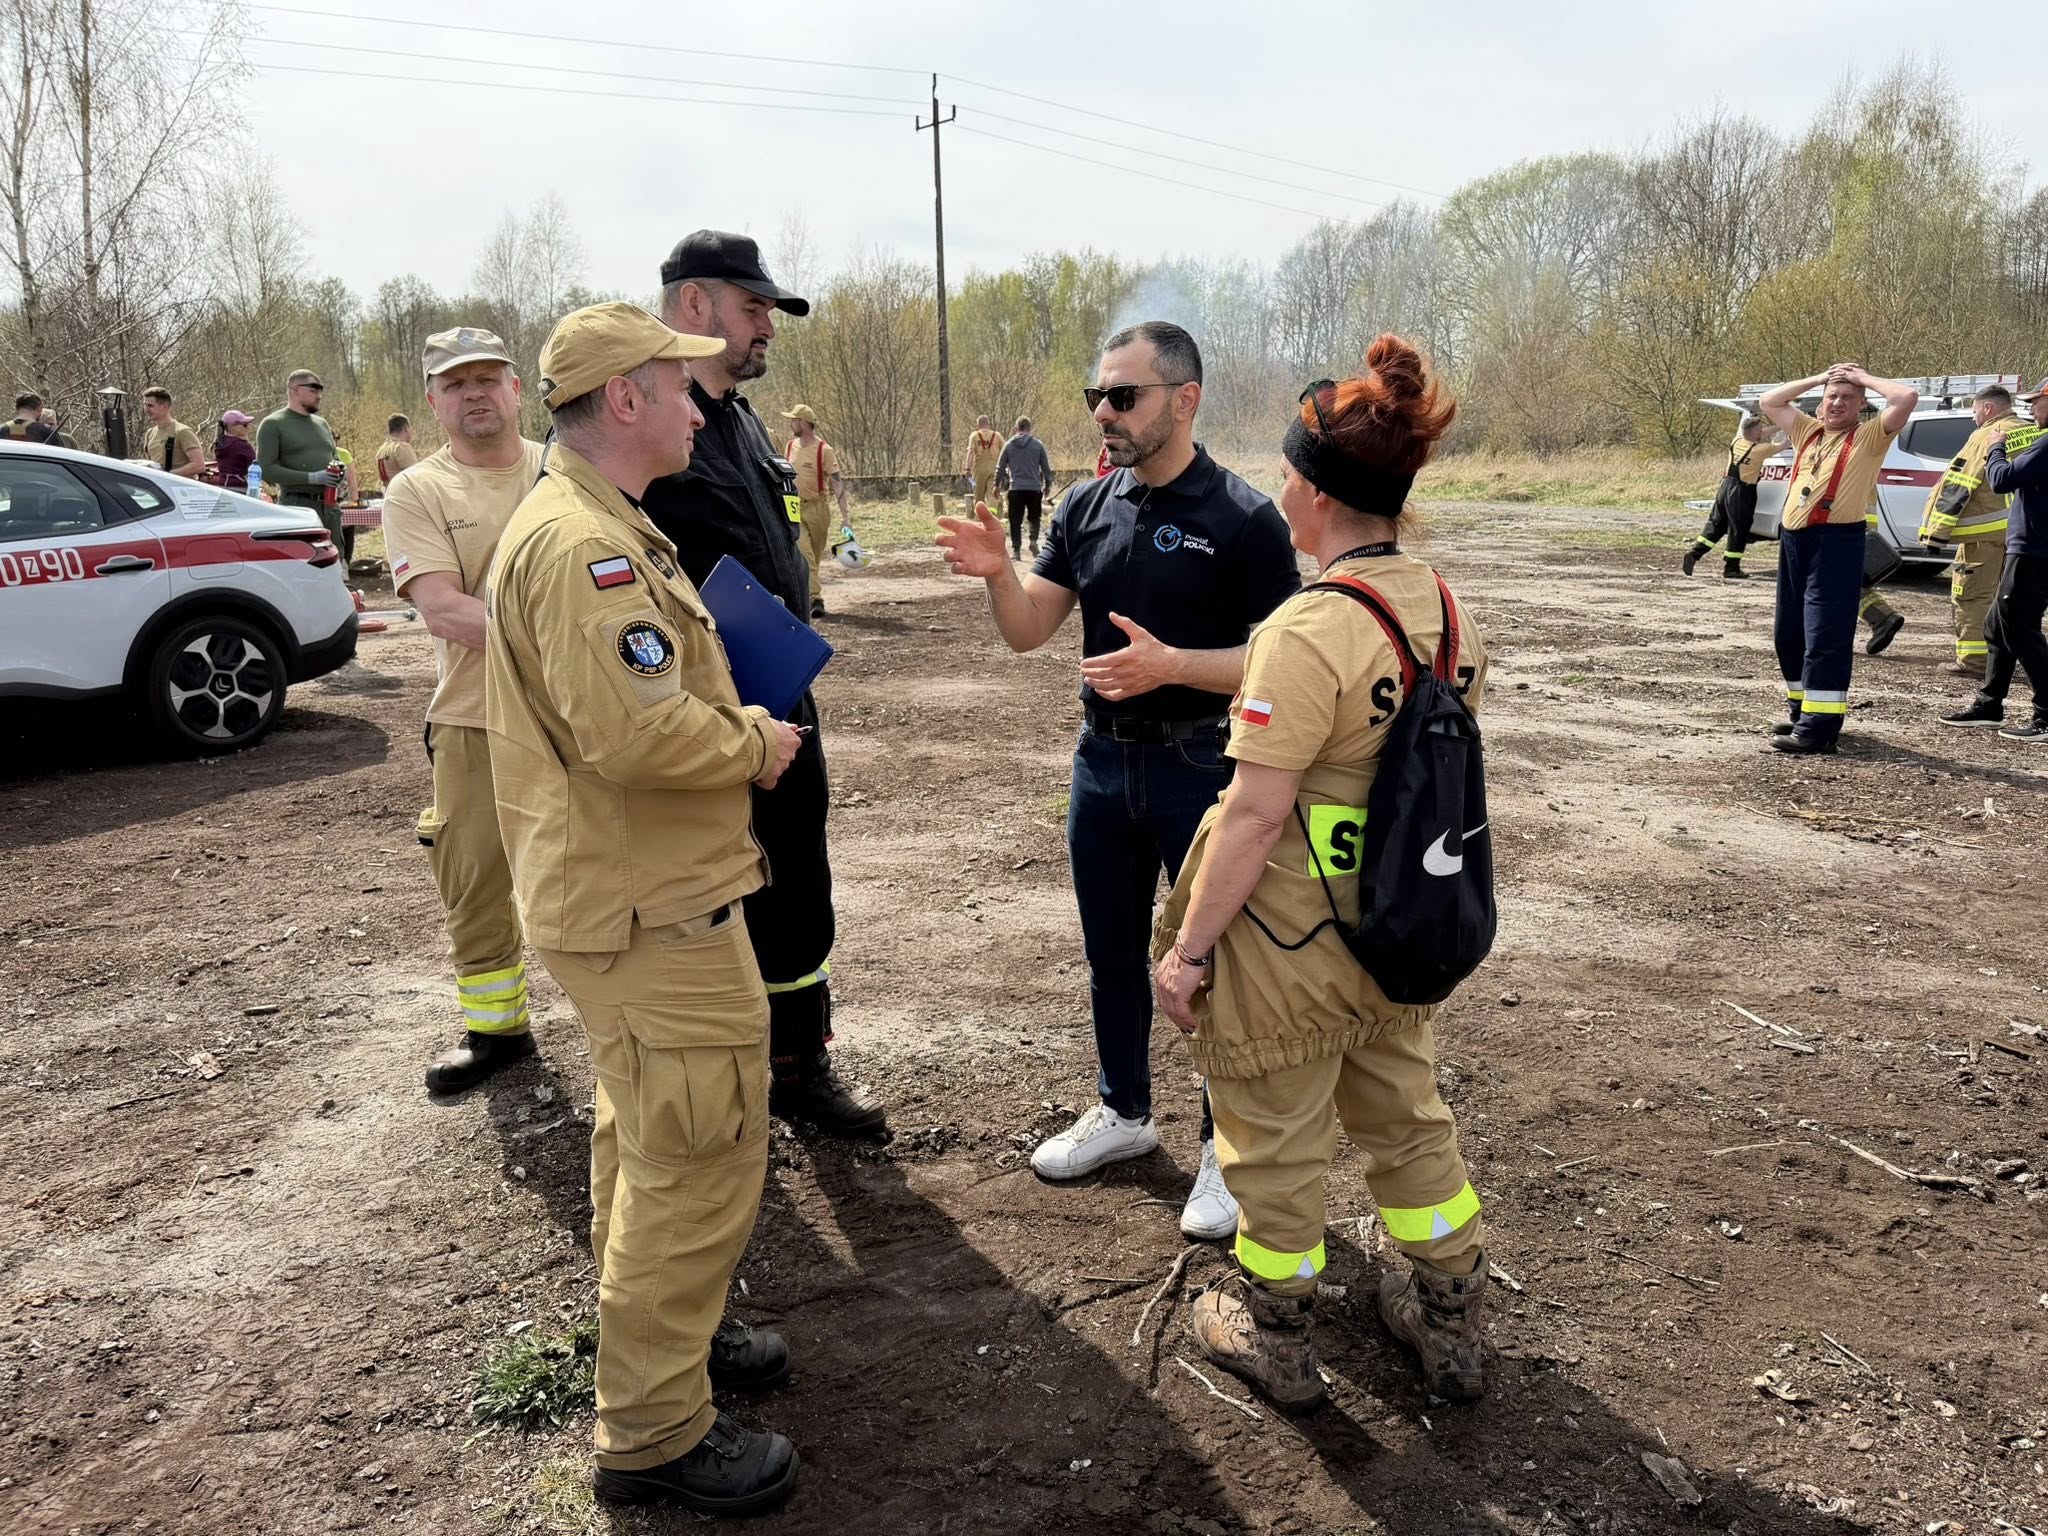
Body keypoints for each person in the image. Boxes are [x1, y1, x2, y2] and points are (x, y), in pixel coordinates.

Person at [484, 302, 804, 1515]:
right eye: (676, 389)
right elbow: (637, 735)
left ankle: (676, 1335)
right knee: (695, 1154)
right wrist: (755, 742)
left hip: (632, 897)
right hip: (647, 909)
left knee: (649, 1135)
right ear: (623, 398)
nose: (696, 410)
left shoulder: (601, 522)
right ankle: (656, 1429)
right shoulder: (584, 547)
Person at [1151, 336, 1490, 1414]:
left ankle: (1280, 1334)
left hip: (1287, 944)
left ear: (1318, 492)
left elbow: (1254, 817)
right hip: (1398, 928)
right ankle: (1449, 1318)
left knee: (1272, 1142)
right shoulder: (1442, 608)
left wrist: (1188, 952)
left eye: (1288, 475)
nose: (1280, 491)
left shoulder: (1306, 631)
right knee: (1406, 1119)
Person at [936, 320, 1300, 1241]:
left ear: (1185, 399)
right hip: (1100, 764)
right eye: (1097, 395)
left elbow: (1283, 660)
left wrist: (1174, 666)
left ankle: (1226, 1148)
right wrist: (998, 574)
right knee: (1111, 953)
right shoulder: (1085, 508)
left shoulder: (1246, 518)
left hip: (1201, 765)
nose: (1104, 411)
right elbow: (1029, 630)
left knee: (1216, 962)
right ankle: (1125, 1112)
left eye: (1123, 396)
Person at [646, 228, 886, 1138]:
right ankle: (722, 1080)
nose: (768, 328)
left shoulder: (744, 421)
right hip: (698, 710)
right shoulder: (645, 419)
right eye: (753, 308)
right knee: (711, 889)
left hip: (781, 693)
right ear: (694, 303)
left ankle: (800, 1065)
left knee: (797, 873)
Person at [383, 328, 547, 1095]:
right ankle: (496, 1031)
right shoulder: (418, 490)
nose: (474, 393)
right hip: (476, 715)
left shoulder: (564, 468)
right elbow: (445, 610)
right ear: (433, 401)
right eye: (455, 384)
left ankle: (627, 1020)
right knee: (475, 875)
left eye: (487, 378)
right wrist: (564, 648)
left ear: (516, 388)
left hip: (586, 714)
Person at [1756, 365, 1918, 755]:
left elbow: (1905, 397)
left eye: (1847, 398)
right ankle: (1802, 712)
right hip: (1795, 541)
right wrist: (1820, 379)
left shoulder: (1869, 435)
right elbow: (1769, 401)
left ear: (1861, 404)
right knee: (1789, 632)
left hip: (1835, 542)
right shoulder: (1807, 429)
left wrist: (1861, 378)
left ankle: (1820, 729)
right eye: (1832, 396)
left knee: (1824, 634)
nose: (1837, 403)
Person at [1941, 380, 2048, 741]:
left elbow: (2001, 480)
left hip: (2034, 550)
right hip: (2028, 547)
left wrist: (1996, 447)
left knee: (2018, 627)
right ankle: (1989, 705)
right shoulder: (2039, 439)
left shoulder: (2045, 443)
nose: (2031, 409)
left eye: (2036, 402)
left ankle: (2045, 714)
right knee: (1997, 625)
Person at [1920, 384, 2022, 677]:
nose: (1973, 417)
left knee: (1973, 595)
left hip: (1985, 535)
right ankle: (2010, 658)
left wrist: (1935, 533)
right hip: (2023, 534)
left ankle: (1974, 662)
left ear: (1988, 408)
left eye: (1974, 411)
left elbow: (1959, 484)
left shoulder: (1984, 437)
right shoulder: (2034, 431)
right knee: (2012, 599)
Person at [257, 369, 344, 547]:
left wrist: (340, 472)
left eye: (320, 391)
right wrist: (312, 478)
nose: (319, 396)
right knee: (304, 557)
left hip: (329, 505)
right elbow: (265, 469)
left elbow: (334, 457)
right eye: (313, 390)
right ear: (295, 390)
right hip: (297, 505)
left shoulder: (322, 424)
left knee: (336, 557)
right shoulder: (273, 424)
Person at [1682, 414, 1775, 579]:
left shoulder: (1737, 441)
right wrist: (1791, 426)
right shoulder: (1760, 450)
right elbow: (1785, 444)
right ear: (1756, 433)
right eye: (1760, 430)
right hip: (1742, 492)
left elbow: (1759, 432)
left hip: (1725, 487)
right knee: (1739, 529)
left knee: (1716, 523)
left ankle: (1694, 554)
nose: (1763, 432)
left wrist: (1779, 426)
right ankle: (1731, 568)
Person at [781, 403, 848, 618]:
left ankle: (810, 592)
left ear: (803, 422)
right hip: (794, 507)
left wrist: (846, 517)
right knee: (805, 554)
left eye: (793, 420)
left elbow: (837, 483)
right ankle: (815, 599)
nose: (791, 424)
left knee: (814, 558)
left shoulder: (824, 450)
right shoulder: (790, 446)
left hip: (818, 508)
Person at [995, 415, 1053, 559]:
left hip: (1016, 488)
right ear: (1029, 428)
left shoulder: (1009, 445)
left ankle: (1016, 551)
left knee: (1015, 520)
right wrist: (1047, 484)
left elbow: (1000, 467)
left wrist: (996, 485)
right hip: (1034, 489)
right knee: (1034, 517)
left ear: (1016, 428)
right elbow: (1046, 468)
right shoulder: (1038, 445)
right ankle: (1033, 540)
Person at [140, 387, 204, 478]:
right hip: (158, 485)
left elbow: (199, 465)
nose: (146, 409)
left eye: (150, 406)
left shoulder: (182, 432)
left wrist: (169, 475)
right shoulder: (150, 433)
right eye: (145, 405)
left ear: (164, 407)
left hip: (179, 485)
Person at [214, 411, 257, 493]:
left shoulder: (220, 443)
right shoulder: (241, 446)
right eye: (245, 425)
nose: (247, 428)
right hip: (239, 487)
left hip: (222, 485)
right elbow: (256, 465)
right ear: (234, 427)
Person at [966, 413, 1003, 508]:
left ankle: (979, 514)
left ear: (977, 425)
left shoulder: (974, 436)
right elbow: (1004, 451)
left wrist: (967, 468)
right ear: (989, 424)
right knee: (992, 494)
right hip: (994, 468)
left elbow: (970, 452)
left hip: (979, 469)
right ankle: (992, 513)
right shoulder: (997, 435)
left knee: (978, 495)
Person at [377, 414, 420, 490]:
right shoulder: (401, 447)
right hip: (404, 492)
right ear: (405, 429)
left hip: (389, 492)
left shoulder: (381, 450)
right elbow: (415, 476)